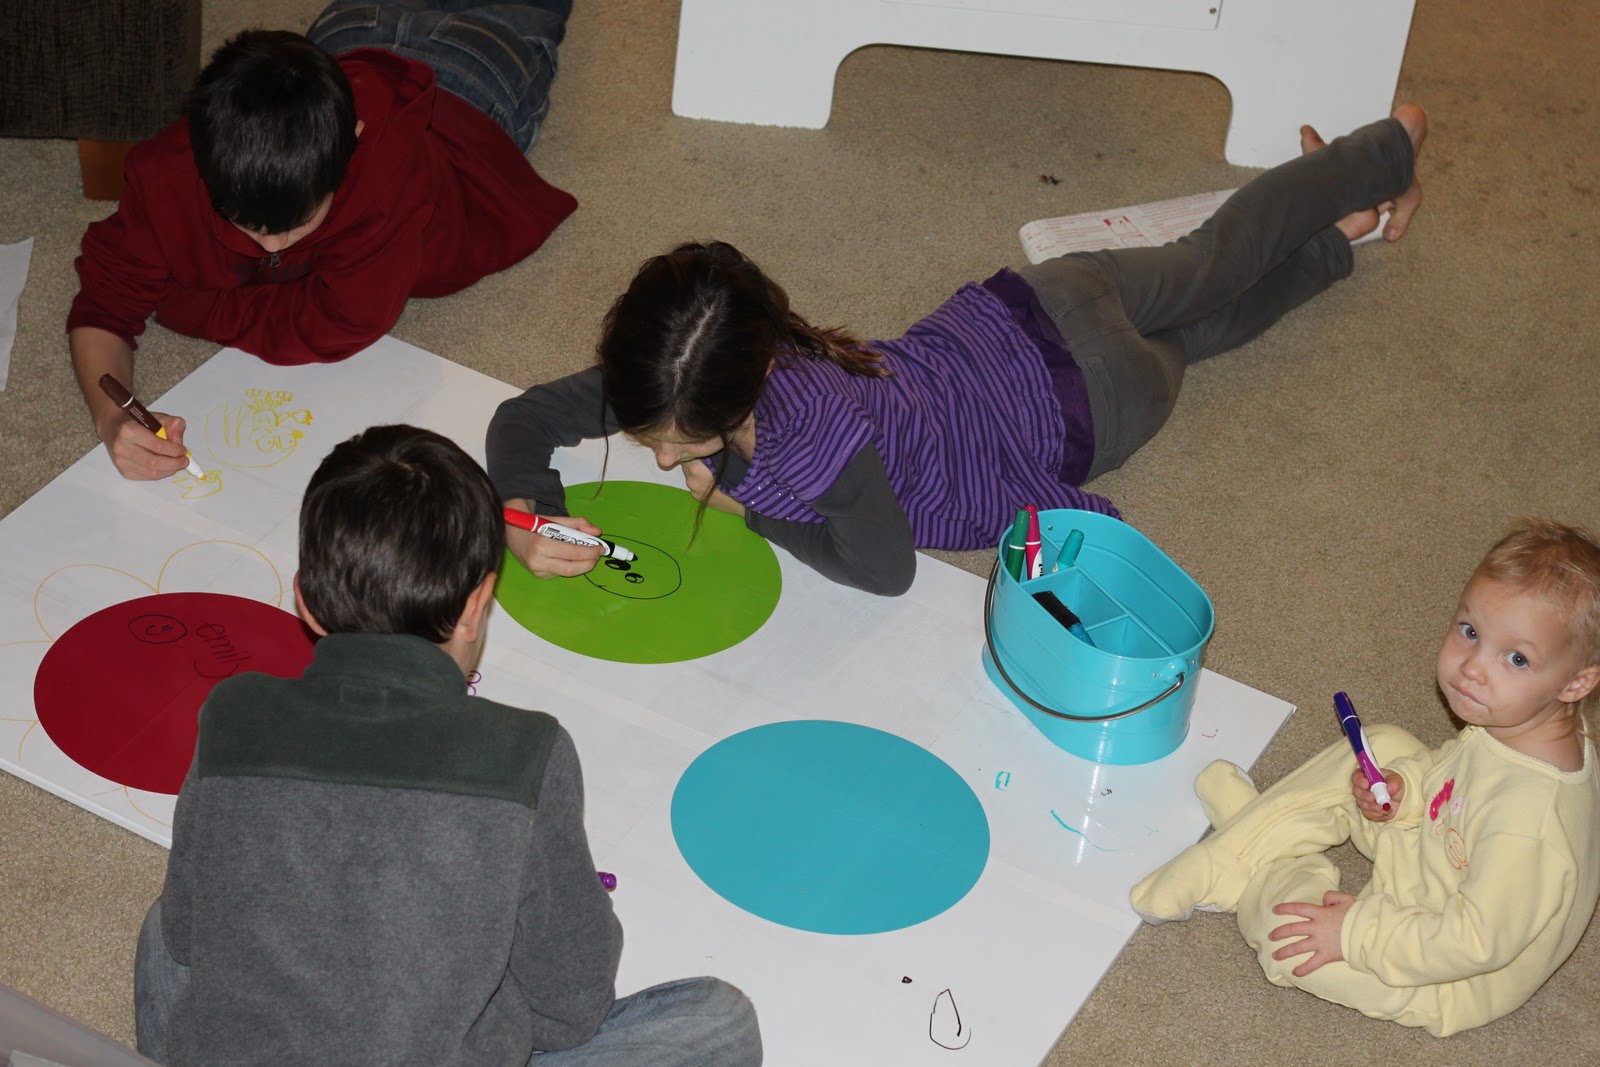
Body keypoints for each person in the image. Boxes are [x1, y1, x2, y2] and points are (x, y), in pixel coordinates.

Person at [485, 106, 1427, 597]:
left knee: (1206, 328)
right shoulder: (701, 356)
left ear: (749, 383)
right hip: (1043, 300)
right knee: (1212, 261)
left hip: (1100, 408)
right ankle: (1366, 173)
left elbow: (883, 569)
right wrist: (530, 514)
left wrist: (751, 511)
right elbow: (522, 420)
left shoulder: (809, 447)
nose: (658, 456)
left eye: (678, 442)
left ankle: (1354, 213)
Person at [133, 424, 763, 1065]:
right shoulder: (526, 751)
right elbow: (569, 1007)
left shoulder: (234, 712)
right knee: (719, 1023)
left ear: (305, 602)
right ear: (476, 606)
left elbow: (186, 934)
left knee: (165, 924)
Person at [1128, 517, 1600, 1036]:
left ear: (1577, 682)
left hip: (1448, 971)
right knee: (1385, 746)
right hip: (1444, 845)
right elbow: (1461, 775)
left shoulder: (1528, 826)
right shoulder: (1516, 719)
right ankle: (1234, 854)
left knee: (1290, 943)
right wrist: (1408, 792)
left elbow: (1473, 943)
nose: (1472, 668)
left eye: (1515, 658)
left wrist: (1354, 932)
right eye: (1470, 632)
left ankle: (1258, 859)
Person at [71, 3, 578, 481]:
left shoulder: (386, 176)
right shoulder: (166, 172)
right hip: (347, 36)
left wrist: (185, 306)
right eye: (246, 225)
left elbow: (338, 322)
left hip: (471, 83)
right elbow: (103, 308)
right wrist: (112, 419)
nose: (272, 248)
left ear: (353, 142)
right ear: (197, 154)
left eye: (296, 225)